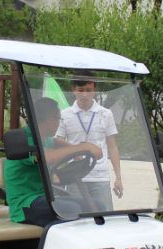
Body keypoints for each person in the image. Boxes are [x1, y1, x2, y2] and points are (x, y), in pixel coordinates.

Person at [5, 97, 103, 227]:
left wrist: (74, 151)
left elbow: (56, 142)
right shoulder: (24, 141)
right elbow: (48, 157)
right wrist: (84, 147)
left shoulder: (42, 138)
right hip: (24, 204)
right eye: (59, 119)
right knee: (70, 210)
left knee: (98, 205)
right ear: (50, 120)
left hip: (44, 199)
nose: (59, 123)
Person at [55, 77, 122, 212]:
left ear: (95, 90)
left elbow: (112, 147)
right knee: (77, 218)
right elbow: (58, 146)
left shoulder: (106, 114)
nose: (84, 94)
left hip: (100, 176)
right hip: (75, 175)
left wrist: (118, 178)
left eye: (88, 90)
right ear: (74, 90)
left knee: (105, 216)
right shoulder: (65, 114)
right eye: (80, 90)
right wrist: (58, 176)